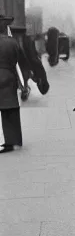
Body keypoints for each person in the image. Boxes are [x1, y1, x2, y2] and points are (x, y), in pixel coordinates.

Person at [0, 14, 23, 153]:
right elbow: (17, 60)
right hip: (9, 76)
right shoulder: (12, 42)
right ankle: (14, 140)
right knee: (10, 108)